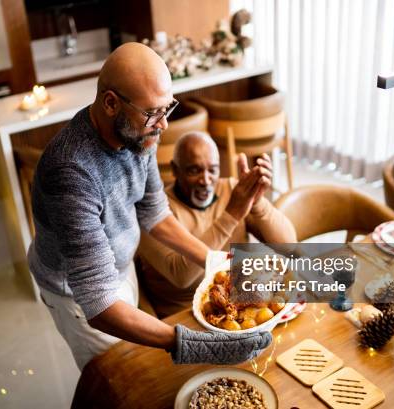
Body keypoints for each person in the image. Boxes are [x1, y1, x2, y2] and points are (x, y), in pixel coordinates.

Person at [26, 43, 273, 371]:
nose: (164, 124)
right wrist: (190, 344)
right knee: (120, 378)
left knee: (138, 364)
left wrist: (214, 262)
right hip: (75, 293)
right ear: (111, 103)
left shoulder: (137, 133)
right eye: (153, 112)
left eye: (167, 108)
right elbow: (99, 305)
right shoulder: (70, 172)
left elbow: (155, 213)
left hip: (118, 265)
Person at [137, 131, 297, 317]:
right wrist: (231, 215)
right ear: (175, 169)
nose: (205, 181)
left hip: (243, 309)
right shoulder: (151, 212)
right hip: (182, 317)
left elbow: (289, 245)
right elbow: (181, 276)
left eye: (212, 170)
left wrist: (257, 202)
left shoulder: (232, 190)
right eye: (194, 170)